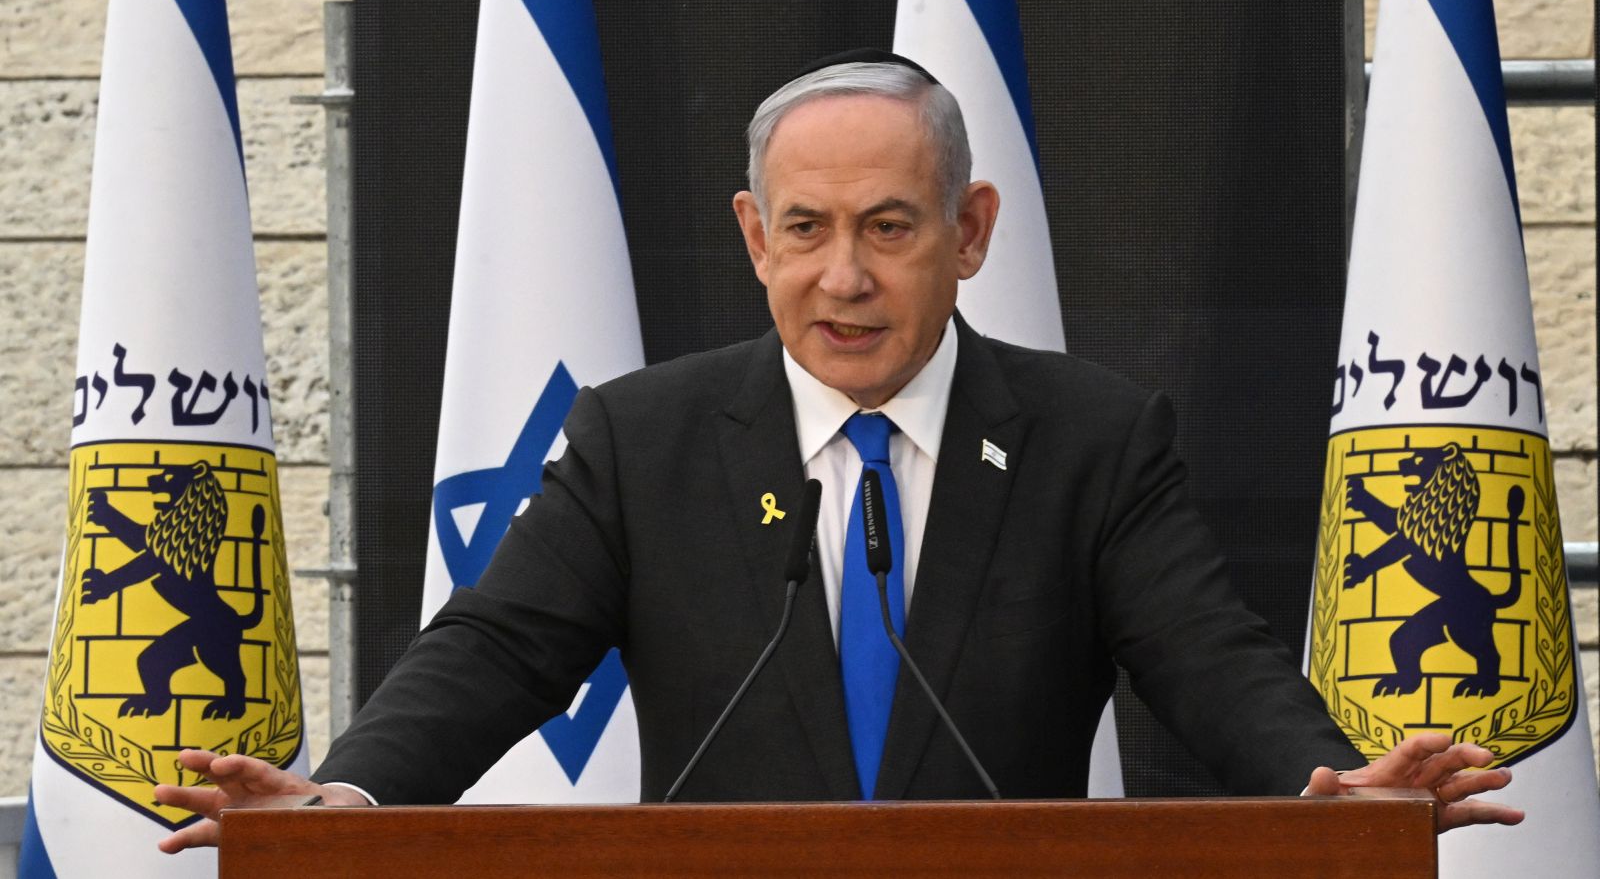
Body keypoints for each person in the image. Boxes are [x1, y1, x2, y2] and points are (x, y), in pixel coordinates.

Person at [154, 50, 1522, 852]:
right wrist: (352, 791)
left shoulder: (1090, 439)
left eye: (890, 226)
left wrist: (1322, 786)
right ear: (755, 238)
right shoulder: (647, 439)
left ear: (970, 231)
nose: (844, 278)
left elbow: (1207, 656)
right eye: (806, 231)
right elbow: (495, 649)